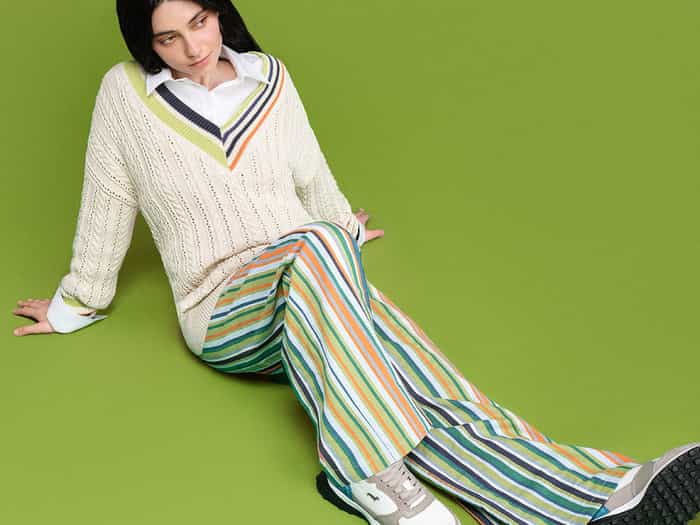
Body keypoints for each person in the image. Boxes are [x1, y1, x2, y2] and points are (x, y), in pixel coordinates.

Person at [12, 1, 699, 524]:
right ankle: (361, 470)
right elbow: (107, 198)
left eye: (200, 22)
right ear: (147, 43)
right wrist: (78, 301)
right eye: (169, 38)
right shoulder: (125, 95)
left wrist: (342, 230)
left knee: (427, 379)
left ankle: (588, 492)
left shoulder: (270, 78)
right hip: (223, 309)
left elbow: (310, 171)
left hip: (315, 281)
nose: (194, 47)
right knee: (321, 244)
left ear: (219, 12)